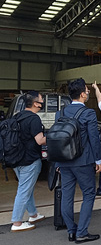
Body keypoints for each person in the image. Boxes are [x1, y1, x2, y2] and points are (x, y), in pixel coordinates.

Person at [56, 78, 101, 243]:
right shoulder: (88, 113)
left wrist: (57, 163)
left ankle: (71, 230)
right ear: (83, 94)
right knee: (89, 193)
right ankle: (82, 232)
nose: (88, 93)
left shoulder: (60, 113)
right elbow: (94, 139)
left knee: (67, 195)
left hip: (64, 161)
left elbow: (57, 139)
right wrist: (98, 160)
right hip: (83, 161)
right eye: (87, 91)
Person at [10, 91, 46, 232]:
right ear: (36, 103)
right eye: (42, 100)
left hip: (16, 160)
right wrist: (56, 135)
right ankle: (17, 222)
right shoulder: (34, 119)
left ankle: (33, 215)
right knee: (24, 191)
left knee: (26, 188)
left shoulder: (17, 116)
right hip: (29, 160)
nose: (42, 102)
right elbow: (40, 140)